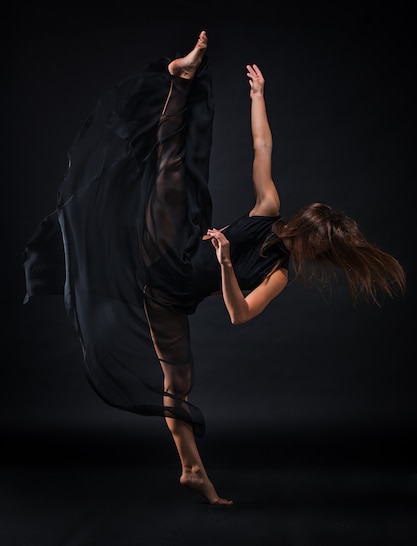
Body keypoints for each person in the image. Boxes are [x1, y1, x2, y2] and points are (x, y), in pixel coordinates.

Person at [23, 31, 406, 506]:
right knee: (172, 169)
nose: (312, 256)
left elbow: (239, 314)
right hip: (170, 246)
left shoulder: (281, 274)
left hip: (170, 295)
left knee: (177, 387)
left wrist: (226, 263)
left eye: (320, 255)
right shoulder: (268, 207)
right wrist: (258, 96)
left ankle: (191, 471)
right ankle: (180, 79)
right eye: (316, 246)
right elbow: (262, 145)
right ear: (306, 227)